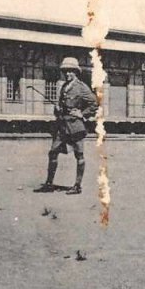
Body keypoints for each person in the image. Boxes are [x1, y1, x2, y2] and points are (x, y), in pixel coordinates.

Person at [34, 57, 98, 195]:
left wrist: (82, 113)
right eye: (66, 71)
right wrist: (57, 108)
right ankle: (49, 183)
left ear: (76, 72)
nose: (68, 74)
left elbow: (94, 103)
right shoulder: (64, 86)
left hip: (75, 126)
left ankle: (77, 186)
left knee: (79, 155)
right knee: (53, 152)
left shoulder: (81, 87)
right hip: (62, 125)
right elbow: (61, 104)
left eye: (71, 71)